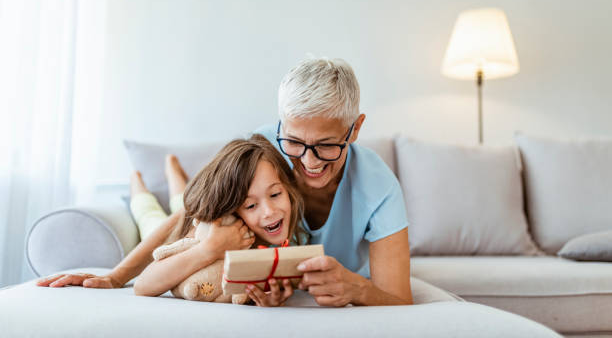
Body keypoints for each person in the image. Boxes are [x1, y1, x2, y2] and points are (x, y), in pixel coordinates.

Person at [37, 57, 413, 306]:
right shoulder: (266, 149)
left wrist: (356, 287)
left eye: (328, 145)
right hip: (195, 220)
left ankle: (174, 176)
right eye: (295, 142)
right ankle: (149, 183)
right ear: (281, 125)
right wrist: (116, 277)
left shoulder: (379, 188)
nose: (308, 161)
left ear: (356, 128)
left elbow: (399, 299)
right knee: (165, 208)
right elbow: (187, 216)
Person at [132, 134, 306, 306]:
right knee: (149, 216)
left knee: (179, 200)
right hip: (176, 236)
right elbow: (142, 286)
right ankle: (138, 181)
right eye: (251, 205)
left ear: (288, 189)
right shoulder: (218, 231)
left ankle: (174, 172)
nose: (269, 211)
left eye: (275, 194)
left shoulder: (299, 236)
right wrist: (209, 249)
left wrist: (269, 298)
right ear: (235, 211)